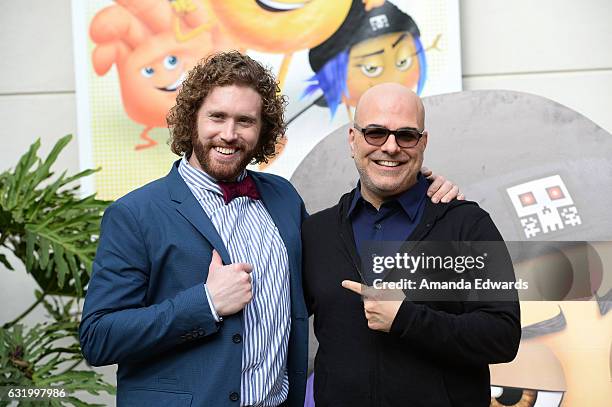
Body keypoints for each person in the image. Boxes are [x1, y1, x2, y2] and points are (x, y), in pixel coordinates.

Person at [79, 52, 458, 407]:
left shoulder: (283, 199)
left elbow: (323, 285)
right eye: (217, 117)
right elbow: (99, 338)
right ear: (192, 118)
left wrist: (414, 184)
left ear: (263, 130)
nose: (229, 133)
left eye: (245, 121)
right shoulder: (135, 213)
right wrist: (205, 303)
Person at [301, 83, 521, 406]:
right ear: (353, 140)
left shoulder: (467, 225)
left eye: (405, 135)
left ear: (423, 142)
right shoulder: (316, 232)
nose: (390, 147)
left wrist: (408, 319)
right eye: (375, 133)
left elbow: (504, 336)